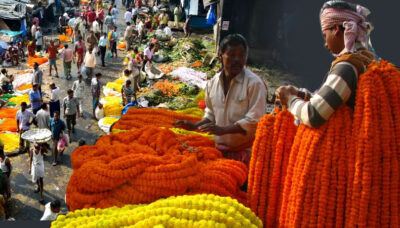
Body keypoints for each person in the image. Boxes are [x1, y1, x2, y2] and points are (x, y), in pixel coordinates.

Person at [275, 1, 375, 128]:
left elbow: (314, 114)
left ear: (336, 30)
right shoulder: (364, 59)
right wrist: (300, 95)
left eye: (325, 35)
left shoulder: (346, 68)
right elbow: (332, 101)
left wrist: (289, 99)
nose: (326, 44)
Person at [174, 34, 267, 166]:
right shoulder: (213, 83)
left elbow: (255, 121)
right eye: (232, 55)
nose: (237, 60)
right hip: (219, 151)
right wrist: (194, 126)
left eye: (242, 55)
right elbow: (211, 113)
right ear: (221, 55)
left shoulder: (254, 84)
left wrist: (224, 129)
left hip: (247, 153)